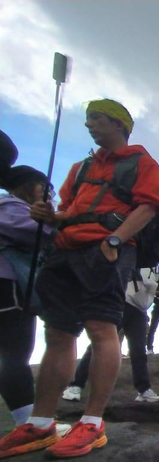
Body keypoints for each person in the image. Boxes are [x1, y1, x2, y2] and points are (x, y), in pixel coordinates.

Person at [0, 99, 159, 460]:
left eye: (98, 118)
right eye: (88, 118)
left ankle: (92, 423)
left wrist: (115, 240)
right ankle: (40, 423)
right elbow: (67, 211)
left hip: (105, 250)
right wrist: (49, 215)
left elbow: (149, 205)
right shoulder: (80, 168)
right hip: (66, 250)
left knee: (101, 328)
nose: (90, 124)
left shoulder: (142, 163)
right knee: (58, 332)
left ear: (121, 124)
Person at [0, 131, 57, 434]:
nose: (50, 193)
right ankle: (28, 425)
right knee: (15, 353)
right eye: (45, 187)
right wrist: (56, 221)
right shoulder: (10, 207)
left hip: (11, 287)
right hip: (8, 287)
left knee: (13, 353)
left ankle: (26, 420)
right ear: (27, 187)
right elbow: (41, 235)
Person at [63, 267, 159, 403]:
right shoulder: (136, 258)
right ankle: (75, 385)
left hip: (139, 311)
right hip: (121, 305)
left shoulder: (155, 271)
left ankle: (143, 390)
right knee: (98, 344)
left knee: (138, 350)